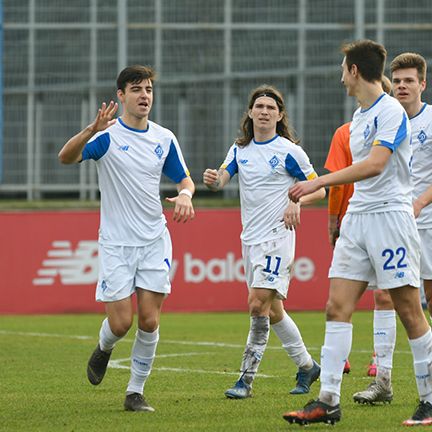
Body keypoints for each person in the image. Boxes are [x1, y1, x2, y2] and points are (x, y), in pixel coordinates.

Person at [282, 39, 432, 427]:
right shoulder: (360, 114)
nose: (341, 77)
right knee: (336, 307)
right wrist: (318, 192)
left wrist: (320, 182)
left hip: (390, 220)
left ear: (353, 71)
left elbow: (376, 165)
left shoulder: (391, 112)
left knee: (408, 310)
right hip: (358, 219)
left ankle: (429, 400)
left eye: (343, 69)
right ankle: (328, 401)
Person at [58, 65, 195, 412]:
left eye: (148, 89)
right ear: (121, 96)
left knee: (149, 320)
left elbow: (185, 180)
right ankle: (104, 348)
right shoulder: (106, 136)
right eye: (136, 89)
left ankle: (135, 392)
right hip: (117, 244)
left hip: (154, 240)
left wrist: (186, 196)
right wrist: (92, 128)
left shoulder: (164, 138)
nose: (144, 95)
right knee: (121, 323)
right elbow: (66, 157)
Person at [203, 85, 325, 399]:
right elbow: (223, 179)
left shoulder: (289, 151)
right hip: (250, 240)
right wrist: (214, 181)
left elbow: (319, 189)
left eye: (271, 107)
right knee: (272, 310)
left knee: (257, 304)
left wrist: (296, 202)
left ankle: (245, 380)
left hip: (278, 237)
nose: (264, 111)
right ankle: (307, 365)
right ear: (250, 112)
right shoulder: (239, 149)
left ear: (280, 115)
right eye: (259, 106)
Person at [353, 53, 432, 409]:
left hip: (425, 220)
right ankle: (383, 380)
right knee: (385, 297)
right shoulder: (382, 115)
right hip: (393, 220)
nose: (401, 86)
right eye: (397, 80)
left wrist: (419, 203)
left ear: (422, 84)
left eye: (409, 81)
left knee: (421, 304)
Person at [325, 76, 393, 378]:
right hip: (383, 219)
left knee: (342, 298)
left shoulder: (347, 131)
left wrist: (332, 221)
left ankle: (344, 361)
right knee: (384, 296)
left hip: (360, 219)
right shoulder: (392, 123)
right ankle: (378, 363)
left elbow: (338, 183)